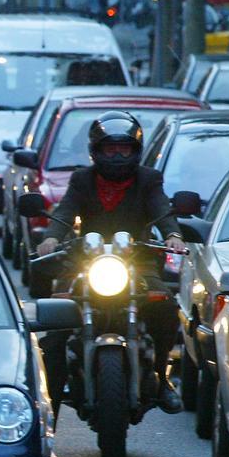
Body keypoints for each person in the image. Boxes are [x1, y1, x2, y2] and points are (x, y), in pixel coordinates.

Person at [35, 110, 185, 415]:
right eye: (110, 149)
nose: (117, 156)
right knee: (56, 316)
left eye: (124, 149)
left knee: (165, 306)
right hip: (85, 262)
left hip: (137, 262)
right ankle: (50, 393)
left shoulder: (149, 179)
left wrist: (172, 234)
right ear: (96, 151)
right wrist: (51, 237)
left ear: (136, 151)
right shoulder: (81, 179)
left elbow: (162, 208)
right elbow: (65, 212)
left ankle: (160, 376)